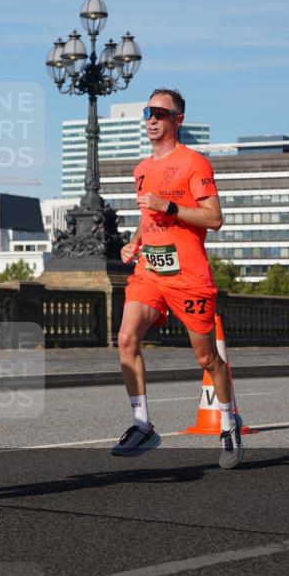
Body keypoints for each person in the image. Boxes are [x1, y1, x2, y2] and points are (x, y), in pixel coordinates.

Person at [112, 88, 243, 469]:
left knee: (207, 358)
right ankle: (141, 425)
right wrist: (134, 242)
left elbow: (214, 218)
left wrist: (168, 205)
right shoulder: (141, 169)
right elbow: (147, 216)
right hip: (149, 271)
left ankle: (228, 421)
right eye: (147, 113)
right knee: (125, 339)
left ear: (178, 120)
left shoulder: (195, 164)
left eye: (160, 113)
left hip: (188, 277)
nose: (151, 119)